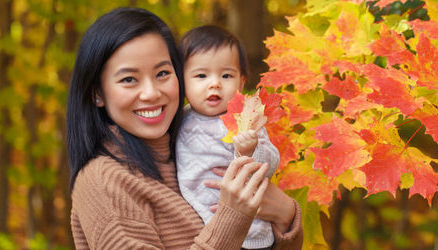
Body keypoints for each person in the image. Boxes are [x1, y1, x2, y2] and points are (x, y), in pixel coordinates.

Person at [65, 7, 302, 249]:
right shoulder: (103, 180)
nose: (151, 93)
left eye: (163, 73)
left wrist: (285, 214)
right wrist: (232, 217)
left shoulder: (192, 150)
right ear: (97, 93)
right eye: (129, 79)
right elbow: (228, 227)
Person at [176, 25, 280, 249]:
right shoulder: (178, 120)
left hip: (249, 232)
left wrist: (250, 150)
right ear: (182, 82)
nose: (215, 83)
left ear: (242, 82)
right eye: (201, 75)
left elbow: (271, 163)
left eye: (226, 75)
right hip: (201, 227)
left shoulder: (245, 119)